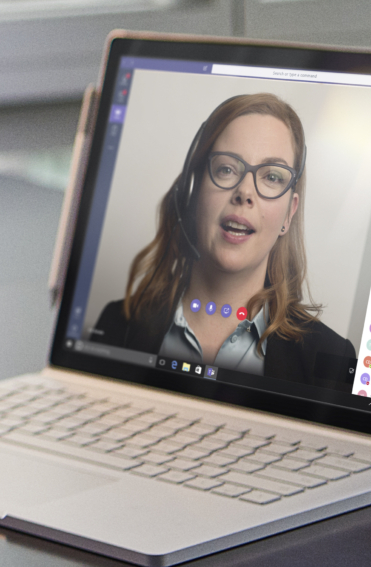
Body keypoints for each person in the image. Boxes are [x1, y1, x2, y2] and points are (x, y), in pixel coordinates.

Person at [84, 92, 356, 390]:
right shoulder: (115, 324)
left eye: (272, 177)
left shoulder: (334, 360)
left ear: (288, 214)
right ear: (193, 190)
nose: (245, 193)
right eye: (227, 169)